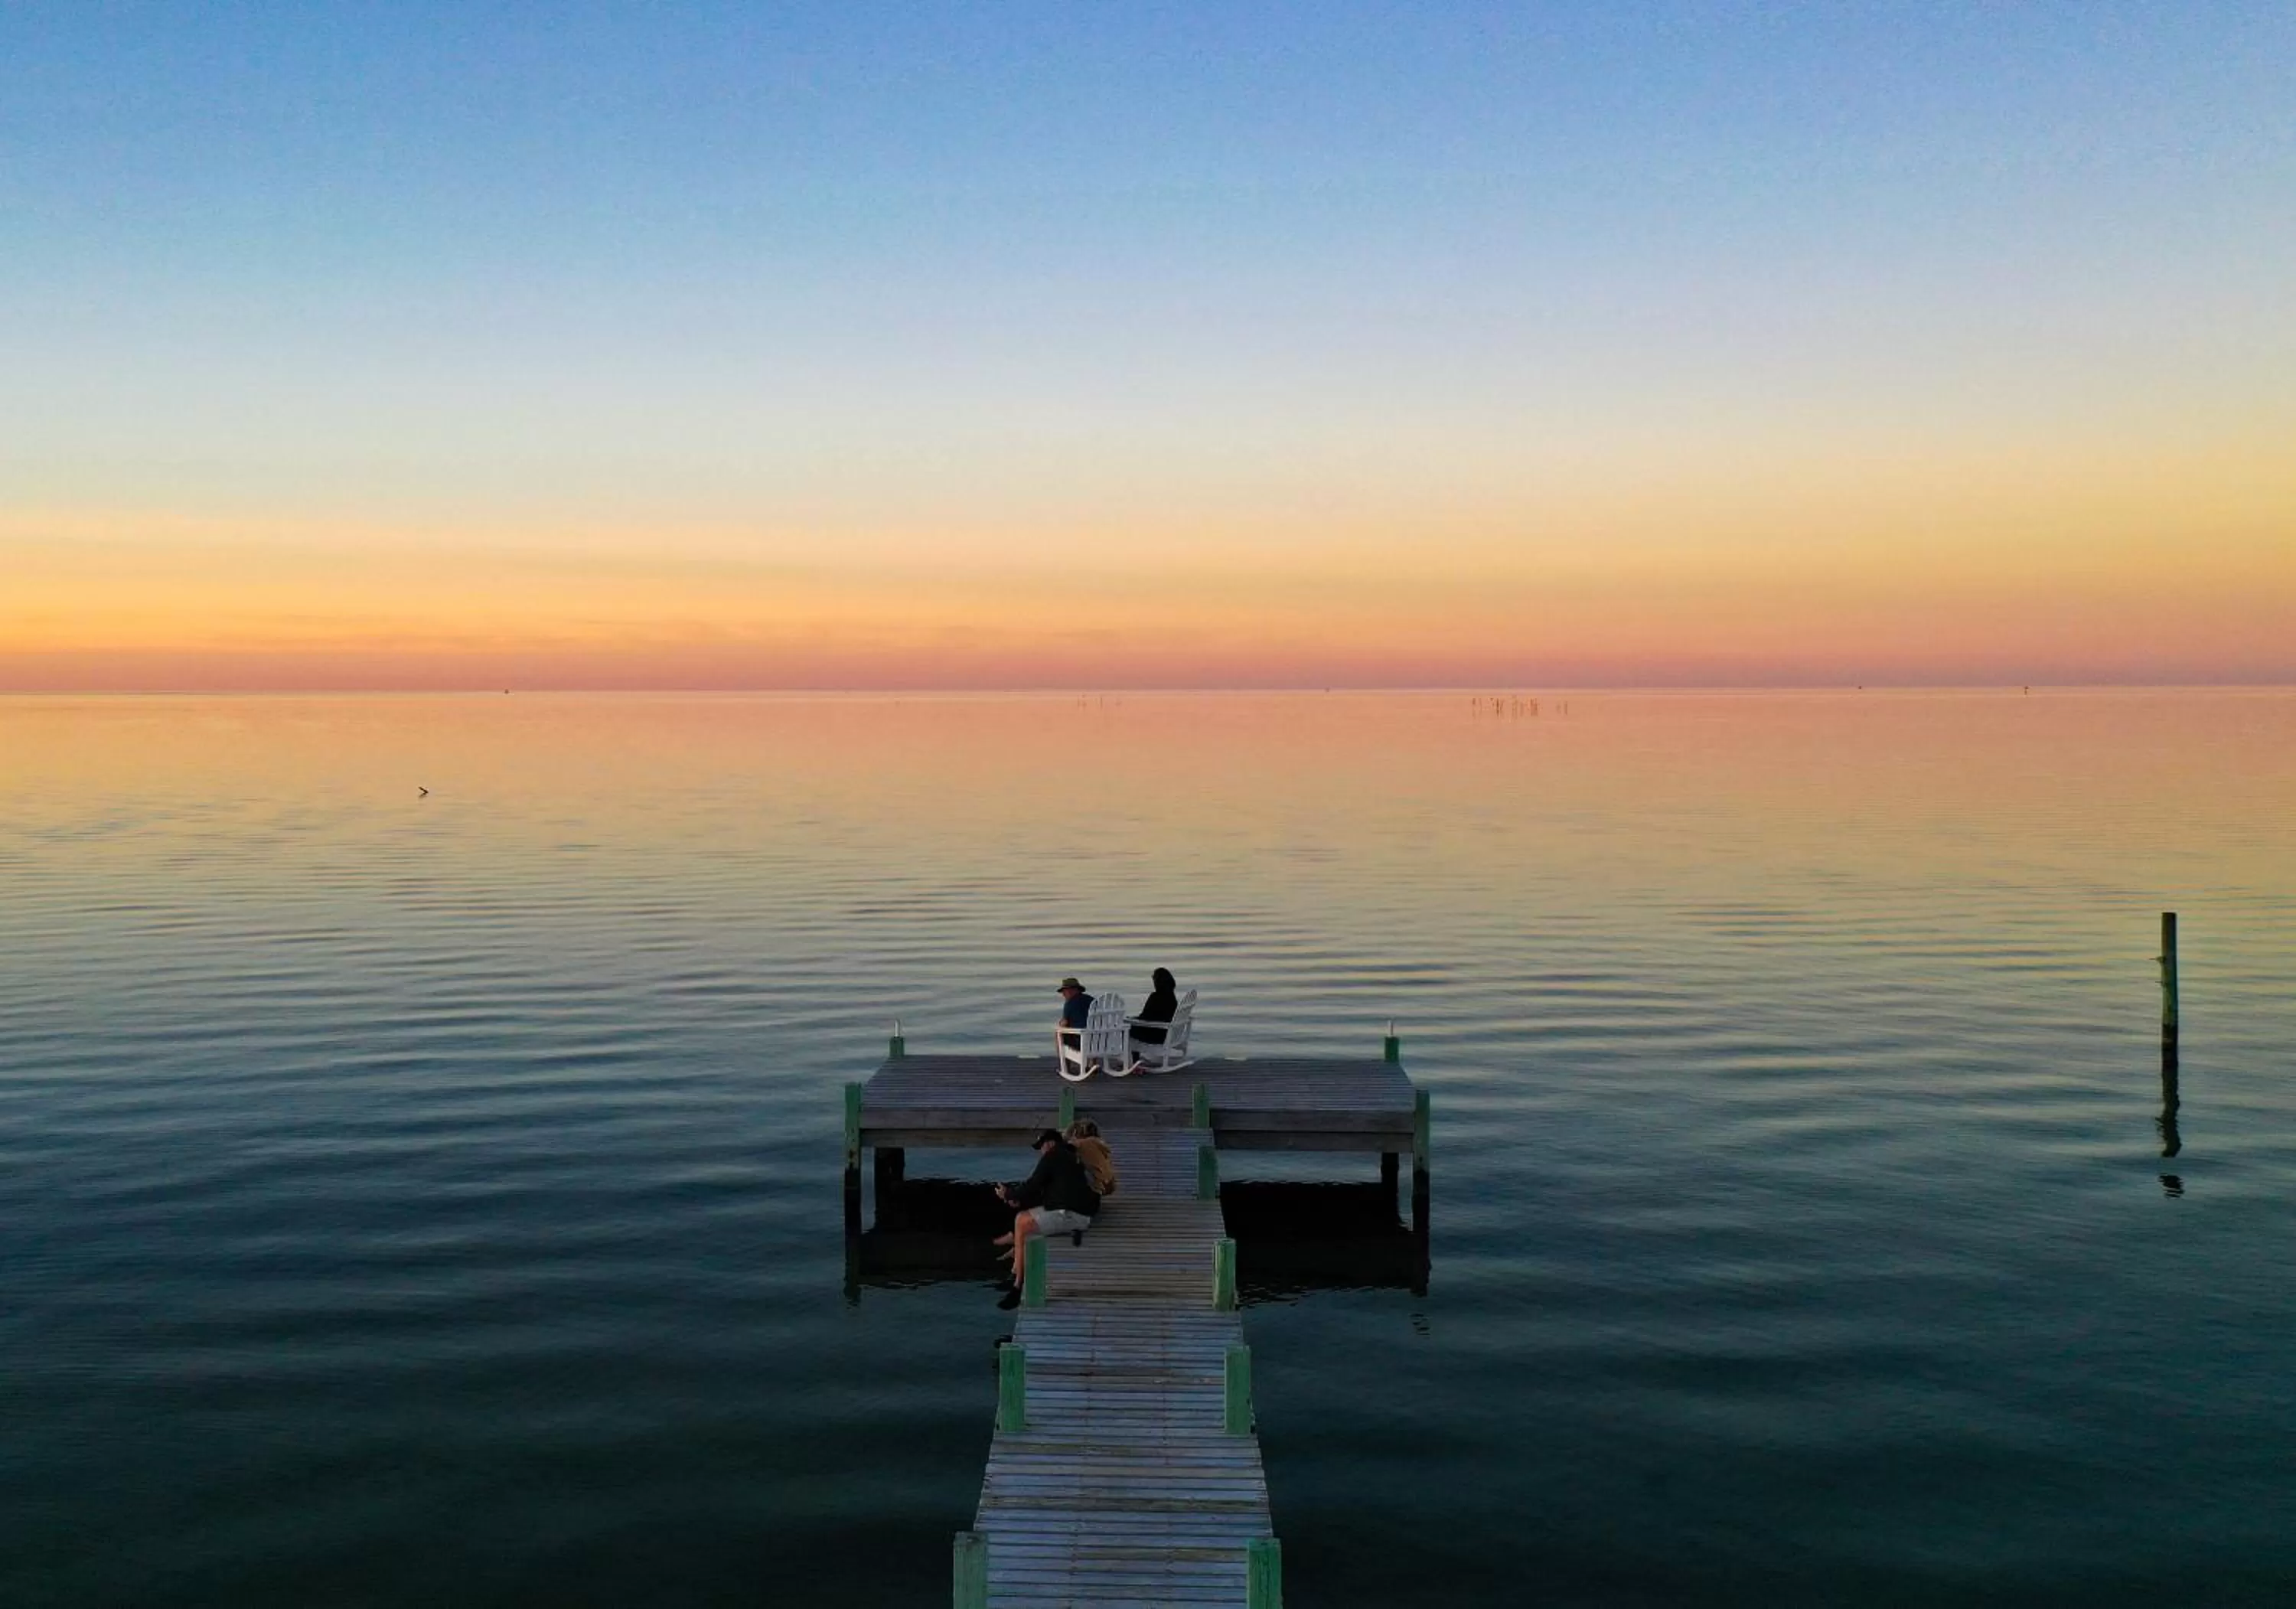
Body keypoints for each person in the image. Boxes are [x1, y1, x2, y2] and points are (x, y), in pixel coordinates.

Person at [991, 1127, 1101, 1308]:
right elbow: (1045, 1189)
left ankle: (1018, 1285)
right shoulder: (1067, 1156)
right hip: (1070, 1209)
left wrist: (1008, 1194)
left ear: (1050, 1144)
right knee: (1020, 1219)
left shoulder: (1053, 1156)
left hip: (1072, 1215)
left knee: (1024, 1226)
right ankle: (1015, 1271)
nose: (1040, 1152)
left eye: (1041, 1147)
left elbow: (1033, 1183)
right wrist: (1016, 1199)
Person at [1127, 967, 1179, 1069]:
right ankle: (1134, 1061)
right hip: (1167, 1033)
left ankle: (1134, 1062)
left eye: (1154, 979)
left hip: (1155, 1035)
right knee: (1131, 1025)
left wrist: (1131, 1020)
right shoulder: (1172, 998)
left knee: (1126, 1028)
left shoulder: (1155, 997)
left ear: (1158, 981)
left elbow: (1145, 1017)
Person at [1054, 976, 1093, 1065]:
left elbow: (1064, 1023)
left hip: (1080, 1041)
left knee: (1059, 1032)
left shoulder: (1070, 1004)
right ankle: (1092, 1063)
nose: (1063, 994)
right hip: (1098, 1041)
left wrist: (1059, 1025)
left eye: (1065, 991)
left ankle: (1066, 1066)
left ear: (1072, 990)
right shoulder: (1092, 1000)